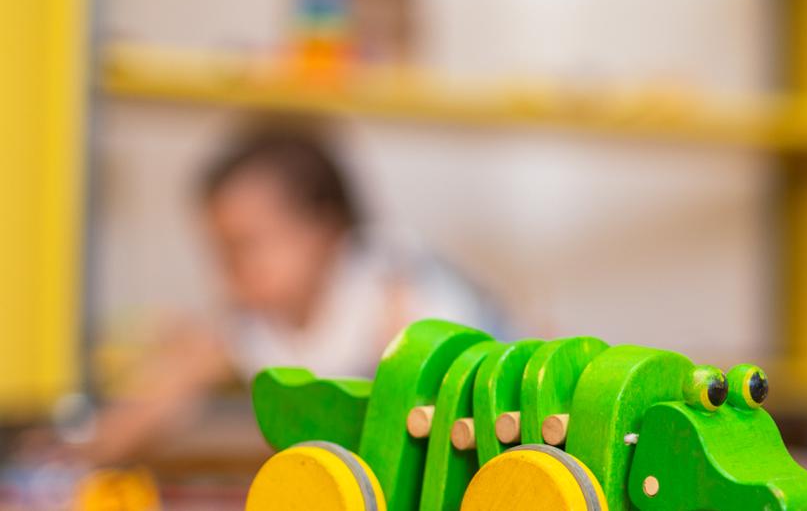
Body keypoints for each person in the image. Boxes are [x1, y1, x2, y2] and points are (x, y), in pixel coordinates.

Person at [49, 121, 503, 466]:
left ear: (323, 229)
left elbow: (430, 390)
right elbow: (167, 393)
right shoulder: (253, 321)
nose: (231, 271)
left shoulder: (385, 280)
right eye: (220, 252)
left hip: (487, 412)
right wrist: (83, 450)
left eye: (246, 246)